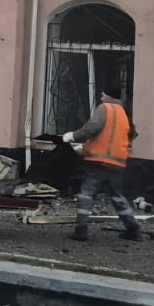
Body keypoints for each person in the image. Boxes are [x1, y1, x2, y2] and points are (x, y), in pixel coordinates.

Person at [61, 84, 142, 243]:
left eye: (103, 94)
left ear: (109, 96)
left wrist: (72, 136)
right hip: (117, 162)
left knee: (86, 193)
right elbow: (125, 136)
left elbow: (91, 128)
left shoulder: (105, 108)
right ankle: (133, 229)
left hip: (99, 161)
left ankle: (81, 230)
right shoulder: (123, 113)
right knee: (117, 196)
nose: (101, 98)